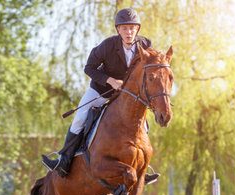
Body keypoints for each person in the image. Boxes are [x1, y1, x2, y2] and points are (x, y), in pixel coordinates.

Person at [42, 8, 159, 185]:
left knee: (144, 125)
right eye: (124, 28)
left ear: (137, 29)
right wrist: (110, 80)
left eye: (132, 28)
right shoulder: (107, 46)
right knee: (80, 117)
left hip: (127, 97)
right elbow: (89, 68)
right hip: (101, 90)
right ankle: (63, 159)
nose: (129, 32)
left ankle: (142, 167)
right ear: (118, 30)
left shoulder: (145, 44)